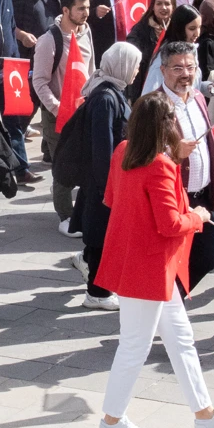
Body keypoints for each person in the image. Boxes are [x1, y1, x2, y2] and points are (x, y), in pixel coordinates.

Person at [93, 90, 214, 428]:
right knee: (136, 345)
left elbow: (113, 199)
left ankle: (204, 415)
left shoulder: (123, 151)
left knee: (180, 340)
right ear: (166, 126)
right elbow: (170, 224)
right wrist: (198, 216)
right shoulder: (161, 165)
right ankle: (112, 420)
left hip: (138, 264)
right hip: (151, 268)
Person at [156, 40, 214, 291]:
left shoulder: (198, 98)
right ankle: (165, 302)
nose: (185, 74)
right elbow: (142, 155)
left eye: (190, 67)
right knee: (175, 259)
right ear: (163, 70)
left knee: (205, 259)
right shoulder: (154, 106)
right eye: (177, 68)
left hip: (202, 197)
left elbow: (209, 146)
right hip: (175, 198)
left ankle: (170, 300)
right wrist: (173, 153)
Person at [74, 42, 140, 310]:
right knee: (102, 236)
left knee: (101, 235)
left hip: (107, 180)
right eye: (135, 65)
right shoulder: (106, 98)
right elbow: (102, 147)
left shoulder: (113, 91)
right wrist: (108, 188)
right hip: (104, 182)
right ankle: (97, 293)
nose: (137, 71)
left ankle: (93, 274)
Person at [33, 0, 93, 234]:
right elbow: (39, 82)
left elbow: (90, 70)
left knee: (85, 161)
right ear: (66, 10)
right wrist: (58, 109)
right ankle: (65, 216)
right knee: (63, 164)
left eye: (87, 7)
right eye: (81, 8)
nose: (86, 13)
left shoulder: (86, 32)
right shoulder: (49, 40)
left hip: (83, 111)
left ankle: (82, 210)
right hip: (58, 115)